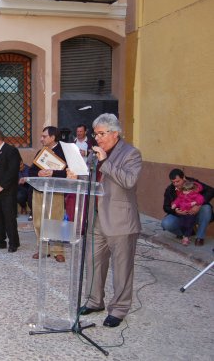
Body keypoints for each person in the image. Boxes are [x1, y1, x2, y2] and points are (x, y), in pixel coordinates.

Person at [74, 113, 142, 328]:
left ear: (115, 133)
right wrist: (75, 175)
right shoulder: (95, 154)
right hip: (97, 217)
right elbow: (89, 177)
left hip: (121, 220)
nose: (98, 138)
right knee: (94, 261)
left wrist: (105, 161)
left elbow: (129, 181)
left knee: (121, 268)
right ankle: (95, 301)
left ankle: (119, 309)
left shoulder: (131, 154)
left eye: (102, 134)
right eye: (96, 134)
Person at [29, 126, 68, 262]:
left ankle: (58, 251)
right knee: (39, 222)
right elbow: (31, 171)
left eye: (44, 136)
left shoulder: (64, 152)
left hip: (56, 191)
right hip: (39, 191)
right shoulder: (41, 152)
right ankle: (43, 249)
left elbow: (69, 172)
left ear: (53, 137)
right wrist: (38, 172)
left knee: (56, 221)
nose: (41, 139)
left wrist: (53, 172)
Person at [161, 168, 214, 246]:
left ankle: (200, 237)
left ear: (184, 178)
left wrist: (198, 205)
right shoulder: (170, 190)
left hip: (196, 213)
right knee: (166, 223)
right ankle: (186, 233)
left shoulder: (193, 184)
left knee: (206, 208)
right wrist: (175, 211)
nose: (175, 184)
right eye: (173, 182)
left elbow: (211, 191)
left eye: (178, 181)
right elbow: (166, 207)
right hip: (181, 215)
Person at [171, 180, 205, 246]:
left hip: (190, 213)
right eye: (184, 190)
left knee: (188, 224)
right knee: (181, 224)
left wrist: (195, 202)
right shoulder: (182, 195)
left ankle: (186, 238)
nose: (185, 192)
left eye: (187, 191)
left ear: (192, 190)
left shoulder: (195, 195)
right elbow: (178, 200)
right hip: (182, 212)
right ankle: (185, 235)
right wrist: (174, 204)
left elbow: (201, 199)